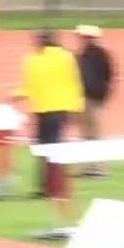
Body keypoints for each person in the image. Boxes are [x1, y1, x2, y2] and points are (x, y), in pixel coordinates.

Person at [12, 30, 84, 198]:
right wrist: (77, 109)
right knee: (53, 147)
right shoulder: (66, 57)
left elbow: (29, 86)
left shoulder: (32, 59)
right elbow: (75, 84)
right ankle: (55, 187)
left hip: (43, 109)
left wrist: (16, 95)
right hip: (60, 108)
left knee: (44, 148)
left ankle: (47, 187)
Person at [75, 24, 115, 177]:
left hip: (93, 99)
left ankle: (97, 168)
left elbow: (108, 77)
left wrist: (102, 97)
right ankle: (87, 167)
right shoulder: (81, 55)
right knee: (85, 134)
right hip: (82, 99)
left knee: (95, 134)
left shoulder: (101, 55)